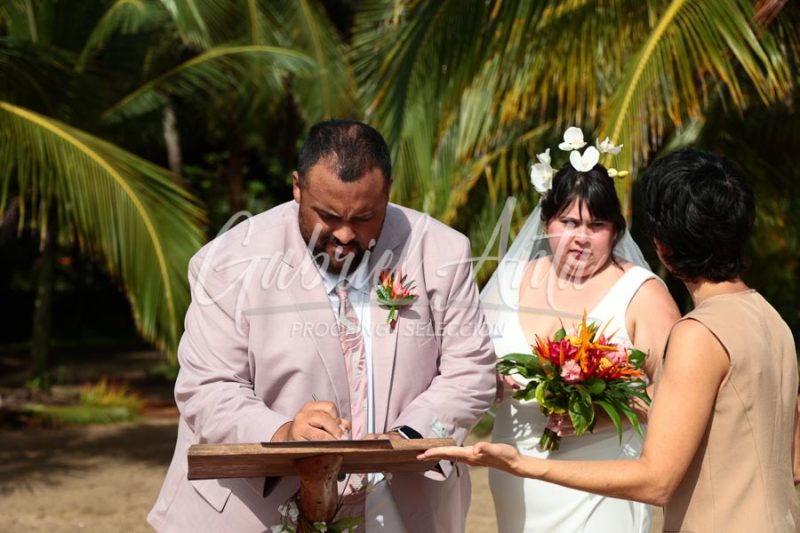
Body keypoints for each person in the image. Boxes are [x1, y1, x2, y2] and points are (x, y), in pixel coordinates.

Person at [423, 149, 800, 532]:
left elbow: (658, 481)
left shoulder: (698, 333)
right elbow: (794, 457)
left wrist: (525, 464)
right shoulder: (772, 320)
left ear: (661, 247)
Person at [147, 119, 496, 532]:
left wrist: (407, 436)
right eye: (328, 215)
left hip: (402, 509)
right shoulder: (226, 261)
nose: (346, 234)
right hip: (253, 511)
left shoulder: (442, 251)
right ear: (297, 188)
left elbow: (471, 371)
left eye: (365, 216)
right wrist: (282, 433)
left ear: (388, 193)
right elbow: (207, 387)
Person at [478, 132, 680, 532]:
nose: (580, 238)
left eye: (596, 225)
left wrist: (604, 414)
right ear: (546, 221)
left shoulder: (642, 294)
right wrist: (488, 381)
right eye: (568, 222)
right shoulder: (509, 281)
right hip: (517, 485)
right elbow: (464, 364)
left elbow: (678, 394)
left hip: (603, 486)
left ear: (616, 231)